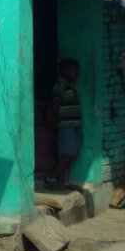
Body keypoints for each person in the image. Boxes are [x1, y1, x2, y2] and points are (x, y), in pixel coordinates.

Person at [47, 58, 82, 190]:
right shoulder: (61, 86)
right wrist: (55, 121)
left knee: (70, 153)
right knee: (70, 153)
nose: (77, 73)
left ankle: (65, 181)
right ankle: (52, 176)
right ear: (65, 71)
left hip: (74, 125)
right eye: (75, 70)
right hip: (66, 125)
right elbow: (55, 105)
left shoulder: (70, 86)